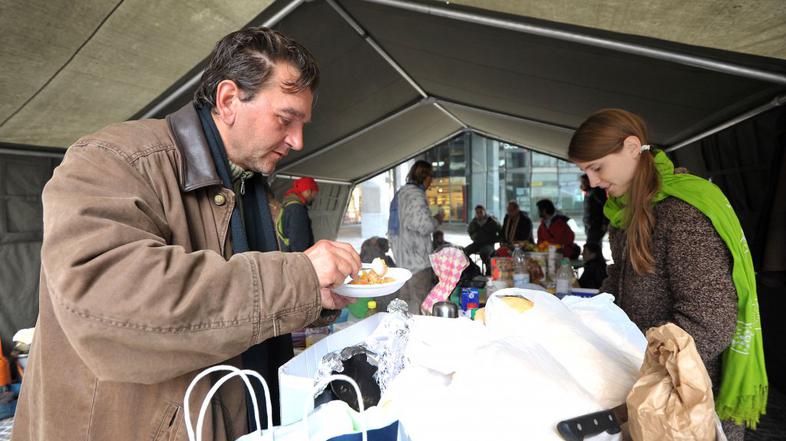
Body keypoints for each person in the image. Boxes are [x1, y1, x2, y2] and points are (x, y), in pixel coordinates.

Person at [13, 28, 362, 441]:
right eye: (285, 119)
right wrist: (298, 278)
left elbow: (234, 305)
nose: (297, 140)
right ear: (229, 100)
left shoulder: (247, 183)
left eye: (302, 124)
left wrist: (313, 296)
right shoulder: (115, 160)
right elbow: (111, 302)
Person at [569, 108, 767, 440]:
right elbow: (619, 282)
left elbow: (711, 317)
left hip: (687, 399)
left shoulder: (682, 213)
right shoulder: (625, 212)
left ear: (632, 147)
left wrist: (653, 375)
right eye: (585, 171)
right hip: (643, 376)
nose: (592, 182)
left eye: (597, 167)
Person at [388, 160, 443, 314]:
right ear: (425, 177)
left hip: (403, 260)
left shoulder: (401, 194)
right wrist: (437, 219)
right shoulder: (415, 195)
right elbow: (423, 225)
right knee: (420, 304)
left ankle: (404, 335)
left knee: (405, 305)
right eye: (430, 177)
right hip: (417, 261)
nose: (431, 181)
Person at [277, 176, 318, 252]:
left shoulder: (288, 204)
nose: (315, 197)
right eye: (314, 193)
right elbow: (298, 242)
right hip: (297, 258)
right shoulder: (297, 209)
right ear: (308, 191)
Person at [464, 205, 500, 275]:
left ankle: (489, 270)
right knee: (464, 252)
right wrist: (474, 236)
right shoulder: (474, 222)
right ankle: (473, 269)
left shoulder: (491, 221)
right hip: (477, 243)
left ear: (484, 212)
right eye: (477, 212)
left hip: (488, 244)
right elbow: (470, 232)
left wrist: (495, 239)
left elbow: (500, 230)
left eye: (481, 212)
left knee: (484, 253)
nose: (479, 214)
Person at [580, 174, 609, 246]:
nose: (582, 184)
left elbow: (604, 206)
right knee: (594, 246)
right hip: (591, 224)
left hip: (596, 224)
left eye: (583, 182)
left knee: (592, 246)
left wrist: (605, 222)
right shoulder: (589, 192)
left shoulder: (596, 191)